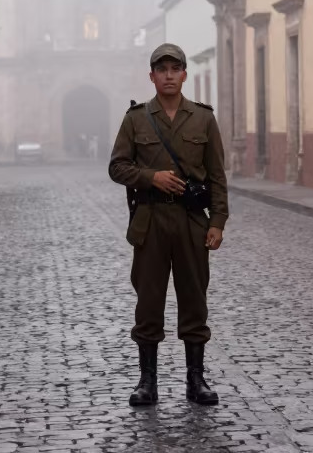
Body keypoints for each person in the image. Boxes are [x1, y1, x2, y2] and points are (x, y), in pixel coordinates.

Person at [109, 43, 229, 408]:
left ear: (184, 74)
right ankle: (148, 383)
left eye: (175, 68)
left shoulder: (204, 119)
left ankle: (196, 380)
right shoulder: (136, 119)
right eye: (161, 69)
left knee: (194, 300)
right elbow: (117, 167)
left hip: (193, 222)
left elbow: (218, 176)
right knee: (148, 303)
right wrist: (151, 177)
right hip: (151, 221)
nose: (169, 75)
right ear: (152, 76)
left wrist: (218, 221)